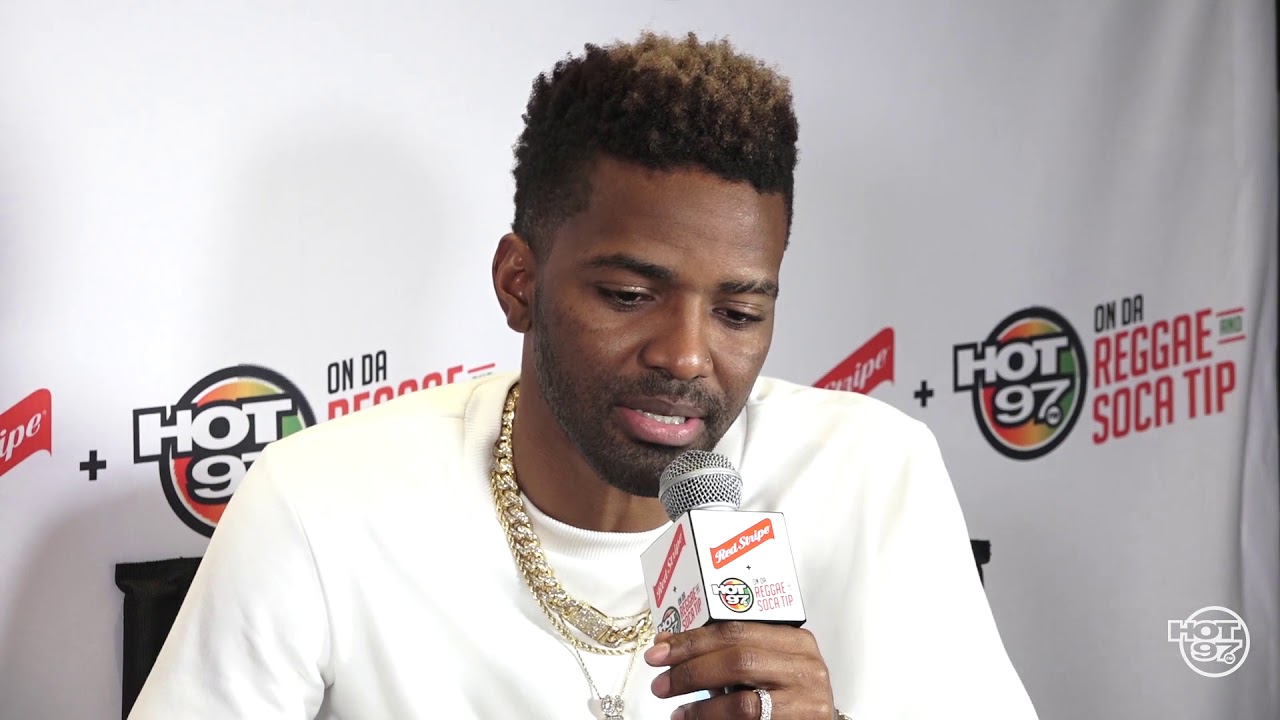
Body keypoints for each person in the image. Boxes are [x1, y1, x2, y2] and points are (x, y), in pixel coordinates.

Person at [129, 31, 1038, 720]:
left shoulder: (873, 470)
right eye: (630, 295)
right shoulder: (320, 501)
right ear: (518, 283)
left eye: (738, 313)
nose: (686, 357)